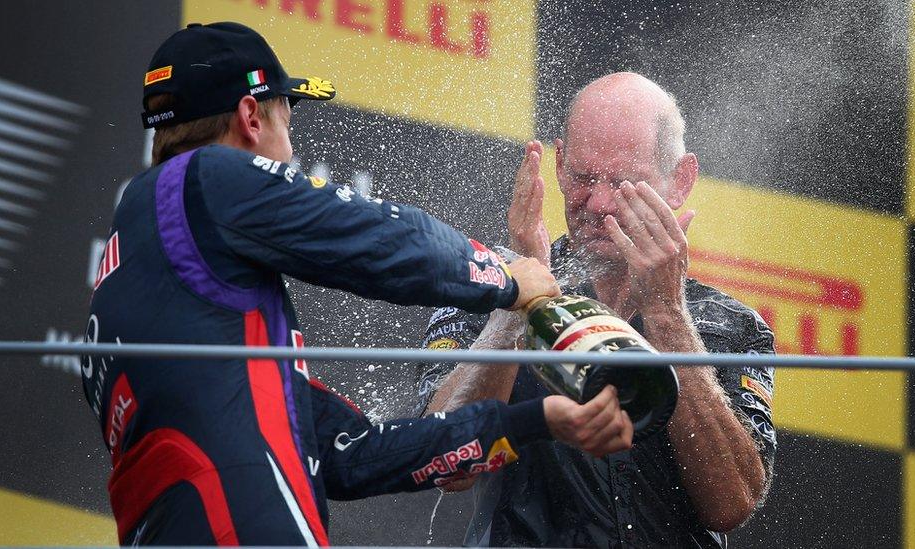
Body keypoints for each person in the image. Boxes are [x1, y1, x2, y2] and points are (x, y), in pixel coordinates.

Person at [81, 22, 638, 547]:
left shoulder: (144, 271)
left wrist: (534, 421)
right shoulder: (202, 178)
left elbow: (353, 457)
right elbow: (375, 241)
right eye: (287, 123)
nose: (290, 152)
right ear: (251, 117)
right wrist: (504, 278)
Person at [415, 72, 777, 548]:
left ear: (681, 180)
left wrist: (667, 313)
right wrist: (516, 308)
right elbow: (444, 462)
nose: (600, 203)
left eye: (625, 183)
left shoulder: (731, 325)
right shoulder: (488, 285)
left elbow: (732, 504)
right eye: (584, 179)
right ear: (559, 166)